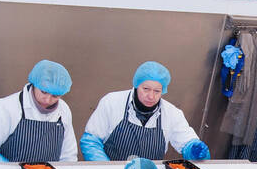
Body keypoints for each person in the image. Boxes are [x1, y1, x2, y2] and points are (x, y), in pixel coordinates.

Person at [81, 61, 209, 162]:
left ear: (163, 91)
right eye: (146, 89)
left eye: (157, 91)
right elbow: (91, 142)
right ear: (136, 85)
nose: (151, 96)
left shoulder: (171, 113)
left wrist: (194, 149)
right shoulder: (112, 102)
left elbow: (186, 141)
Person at [0, 60, 76, 163]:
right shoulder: (7, 108)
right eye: (43, 92)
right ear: (34, 84)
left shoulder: (63, 110)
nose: (48, 100)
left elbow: (68, 156)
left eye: (55, 96)